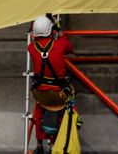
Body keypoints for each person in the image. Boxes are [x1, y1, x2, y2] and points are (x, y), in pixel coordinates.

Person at [27, 15, 78, 154]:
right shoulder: (60, 45)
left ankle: (39, 145)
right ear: (51, 31)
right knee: (61, 114)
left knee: (39, 113)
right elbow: (68, 45)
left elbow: (34, 42)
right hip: (59, 94)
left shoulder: (31, 48)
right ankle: (57, 144)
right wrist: (58, 28)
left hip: (41, 93)